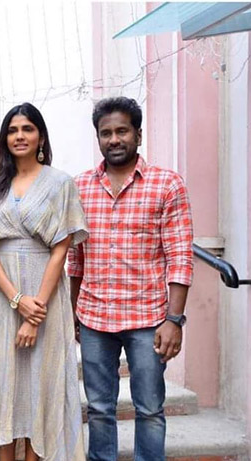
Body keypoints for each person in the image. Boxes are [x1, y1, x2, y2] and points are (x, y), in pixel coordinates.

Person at [68, 96, 194, 461]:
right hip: (95, 318)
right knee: (99, 409)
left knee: (150, 409)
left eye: (122, 131)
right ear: (98, 138)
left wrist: (173, 320)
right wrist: (74, 311)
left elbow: (180, 257)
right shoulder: (80, 187)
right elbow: (76, 259)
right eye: (105, 133)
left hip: (148, 319)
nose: (114, 139)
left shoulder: (166, 184)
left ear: (138, 135)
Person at [0, 103, 88, 461]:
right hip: (2, 295)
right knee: (1, 381)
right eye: (12, 130)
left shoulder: (60, 183)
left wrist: (34, 312)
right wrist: (16, 299)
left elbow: (61, 249)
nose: (19, 136)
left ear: (40, 136)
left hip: (46, 295)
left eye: (27, 129)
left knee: (43, 380)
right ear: (4, 139)